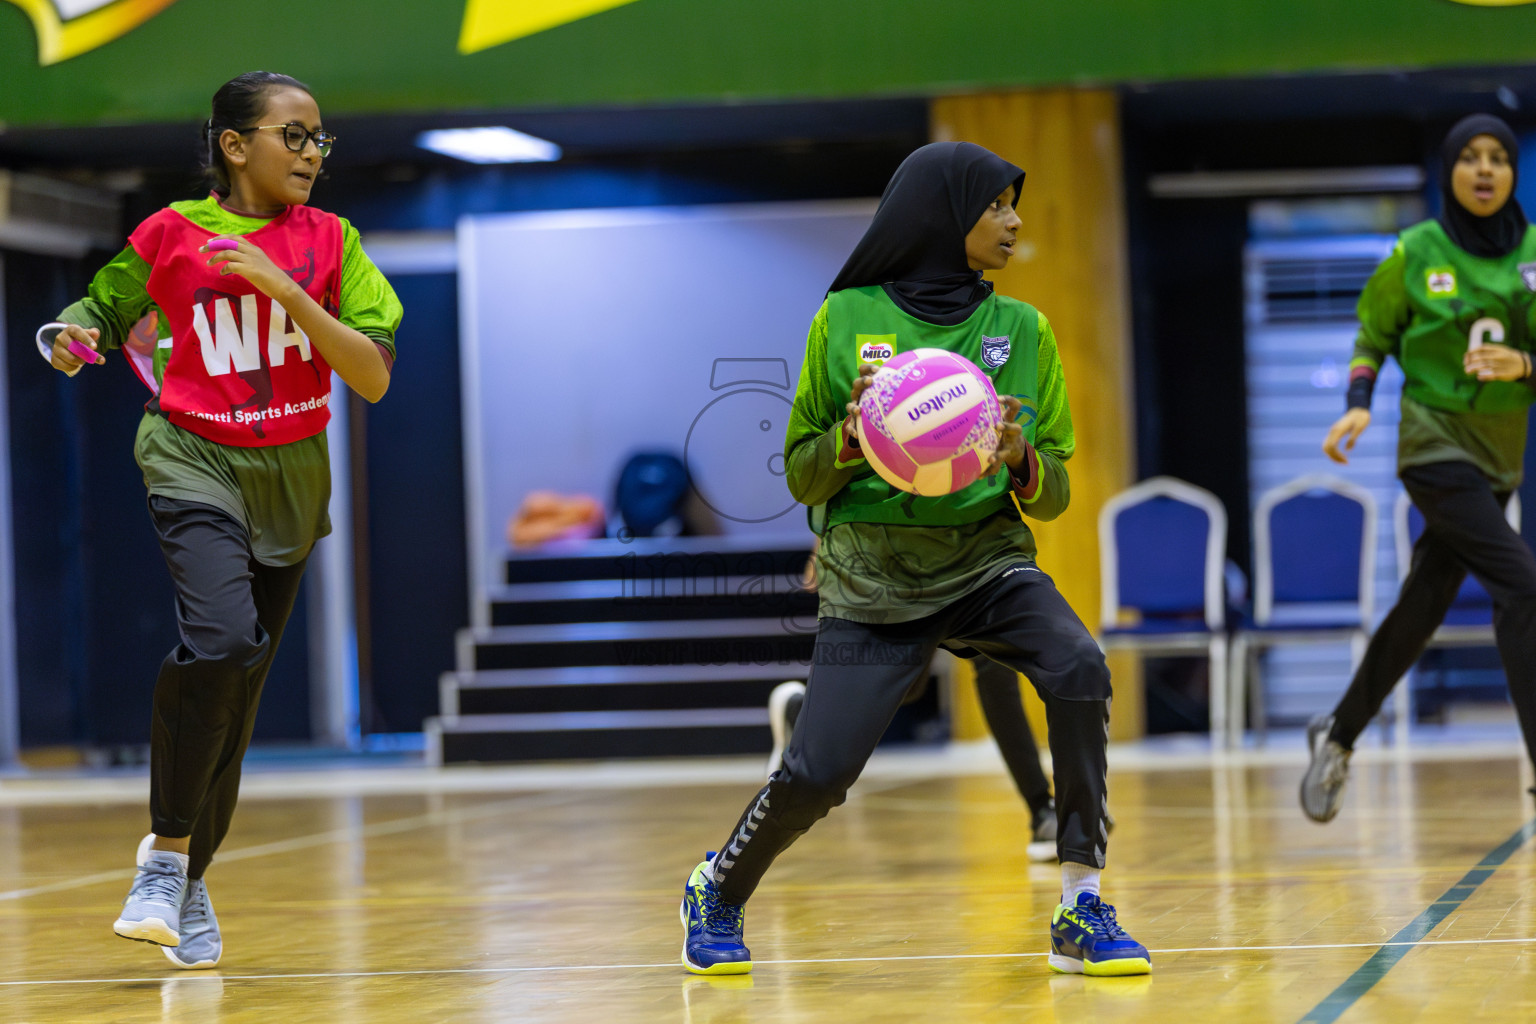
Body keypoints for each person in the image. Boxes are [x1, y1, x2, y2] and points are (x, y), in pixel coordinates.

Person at [680, 141, 1148, 978]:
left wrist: (1017, 456)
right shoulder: (847, 317)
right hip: (874, 571)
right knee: (820, 774)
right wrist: (855, 439)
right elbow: (800, 470)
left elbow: (1055, 493)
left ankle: (1080, 901)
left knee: (1078, 665)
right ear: (941, 213)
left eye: (1014, 204)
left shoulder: (1022, 330)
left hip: (986, 560)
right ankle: (717, 886)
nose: (1013, 221)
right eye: (996, 205)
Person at [40, 71, 402, 967]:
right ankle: (164, 860)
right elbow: (102, 305)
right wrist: (70, 335)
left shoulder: (332, 242)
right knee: (223, 642)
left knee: (234, 696)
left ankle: (190, 876)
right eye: (294, 135)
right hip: (192, 457)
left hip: (290, 475)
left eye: (320, 137)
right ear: (235, 146)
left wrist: (288, 291)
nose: (312, 152)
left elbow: (372, 374)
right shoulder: (171, 232)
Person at [1302, 114, 1536, 822]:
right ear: (1450, 171)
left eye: (1499, 157)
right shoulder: (1415, 251)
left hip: (1498, 460)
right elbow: (1373, 335)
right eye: (1471, 158)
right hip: (1434, 449)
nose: (1487, 169)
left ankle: (1338, 732)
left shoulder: (1532, 252)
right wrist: (1357, 402)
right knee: (1524, 590)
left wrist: (1524, 363)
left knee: (1425, 602)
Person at [768, 545, 1059, 861]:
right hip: (904, 556)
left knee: (995, 666)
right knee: (904, 686)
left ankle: (1042, 810)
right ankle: (800, 715)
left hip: (970, 556)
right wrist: (823, 542)